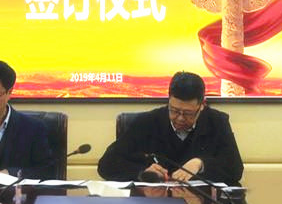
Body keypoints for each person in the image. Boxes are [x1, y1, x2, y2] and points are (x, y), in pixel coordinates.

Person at [97, 71, 243, 185]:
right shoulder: (147, 122)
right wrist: (142, 172)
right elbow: (106, 165)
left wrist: (201, 164)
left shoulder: (217, 122)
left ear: (202, 106)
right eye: (174, 110)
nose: (180, 118)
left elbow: (235, 170)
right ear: (169, 101)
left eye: (188, 113)